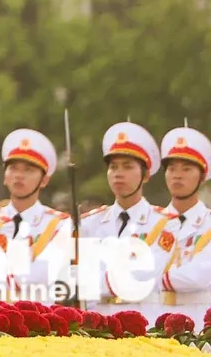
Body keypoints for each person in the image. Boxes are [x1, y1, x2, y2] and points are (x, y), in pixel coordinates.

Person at [79, 121, 164, 313]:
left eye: (127, 167)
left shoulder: (164, 223)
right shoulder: (89, 224)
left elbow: (147, 276)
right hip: (99, 326)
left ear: (146, 175)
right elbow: (81, 282)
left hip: (145, 323)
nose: (118, 174)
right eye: (113, 167)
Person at [0, 128, 72, 303]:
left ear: (44, 180)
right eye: (13, 168)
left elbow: (42, 276)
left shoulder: (59, 224)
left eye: (28, 170)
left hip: (38, 322)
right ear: (5, 176)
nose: (19, 176)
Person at [152, 127, 211, 322]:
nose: (177, 175)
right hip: (154, 323)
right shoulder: (152, 222)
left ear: (202, 176)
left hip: (199, 327)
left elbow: (200, 275)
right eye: (171, 169)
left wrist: (151, 278)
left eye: (186, 169)